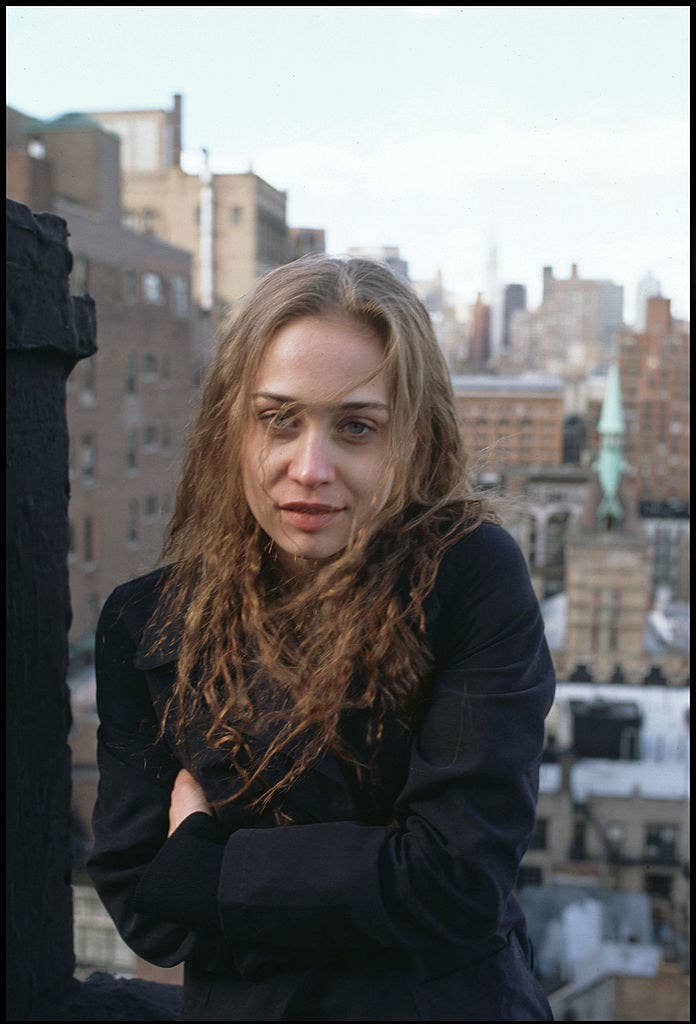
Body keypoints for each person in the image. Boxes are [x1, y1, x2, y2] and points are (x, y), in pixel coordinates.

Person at [86, 256, 555, 1021]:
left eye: (356, 428)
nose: (311, 468)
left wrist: (212, 870)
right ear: (230, 429)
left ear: (414, 439)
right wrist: (368, 883)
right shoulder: (151, 619)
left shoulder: (468, 576)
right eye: (279, 419)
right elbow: (148, 905)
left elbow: (457, 883)